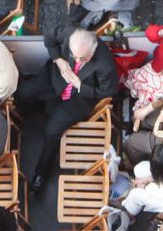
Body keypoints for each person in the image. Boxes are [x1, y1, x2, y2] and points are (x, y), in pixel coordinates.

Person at [18, 27, 119, 190]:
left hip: (78, 100)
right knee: (23, 92)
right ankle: (29, 112)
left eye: (84, 58)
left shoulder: (105, 64)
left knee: (51, 132)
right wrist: (59, 59)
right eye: (74, 56)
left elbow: (109, 92)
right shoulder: (68, 33)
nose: (78, 61)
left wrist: (80, 85)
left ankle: (41, 174)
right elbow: (49, 35)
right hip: (55, 79)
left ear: (93, 49)